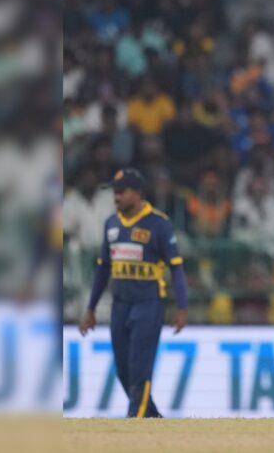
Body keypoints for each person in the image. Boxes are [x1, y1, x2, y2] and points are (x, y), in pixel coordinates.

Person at [78, 168, 189, 418]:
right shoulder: (111, 224)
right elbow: (103, 269)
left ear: (138, 193)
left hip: (149, 302)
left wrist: (182, 307)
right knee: (123, 371)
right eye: (114, 192)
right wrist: (90, 308)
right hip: (120, 303)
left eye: (121, 192)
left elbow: (176, 267)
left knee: (140, 369)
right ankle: (153, 419)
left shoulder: (158, 224)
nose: (116, 197)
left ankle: (135, 425)